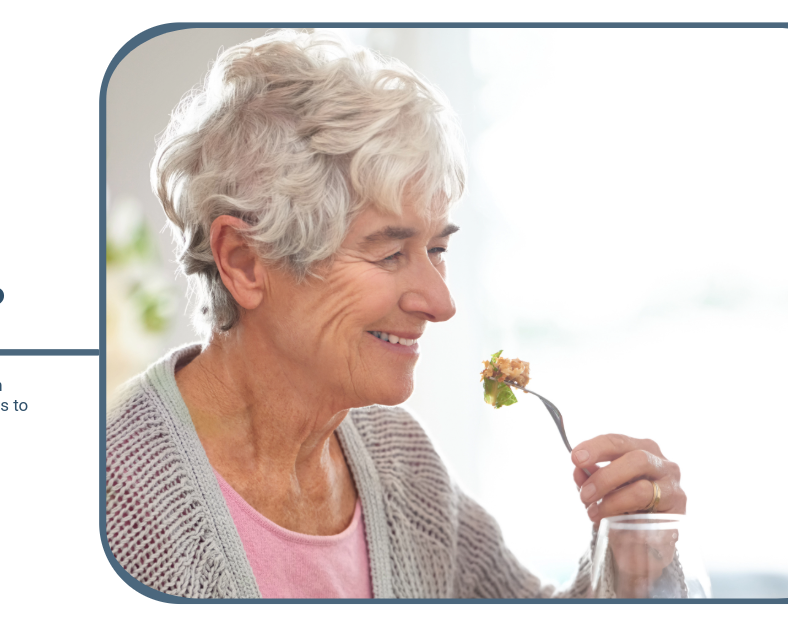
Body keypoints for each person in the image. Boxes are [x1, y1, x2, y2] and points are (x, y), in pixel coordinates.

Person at [104, 29, 686, 599]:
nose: (441, 303)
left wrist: (632, 570)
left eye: (437, 250)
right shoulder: (111, 492)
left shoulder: (400, 462)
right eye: (389, 253)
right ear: (245, 261)